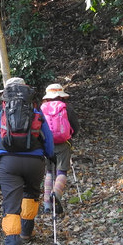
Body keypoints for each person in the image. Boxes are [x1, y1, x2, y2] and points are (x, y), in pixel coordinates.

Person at [0, 77, 55, 245]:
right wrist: (49, 155)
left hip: (8, 162)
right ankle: (26, 231)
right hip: (35, 161)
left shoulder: (0, 110)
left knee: (11, 203)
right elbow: (48, 138)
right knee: (31, 194)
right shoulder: (35, 110)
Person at [40, 83, 79, 214]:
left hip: (46, 144)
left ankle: (46, 205)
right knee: (61, 171)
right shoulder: (67, 107)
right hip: (63, 143)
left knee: (49, 172)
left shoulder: (41, 108)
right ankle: (56, 195)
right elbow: (75, 126)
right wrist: (70, 136)